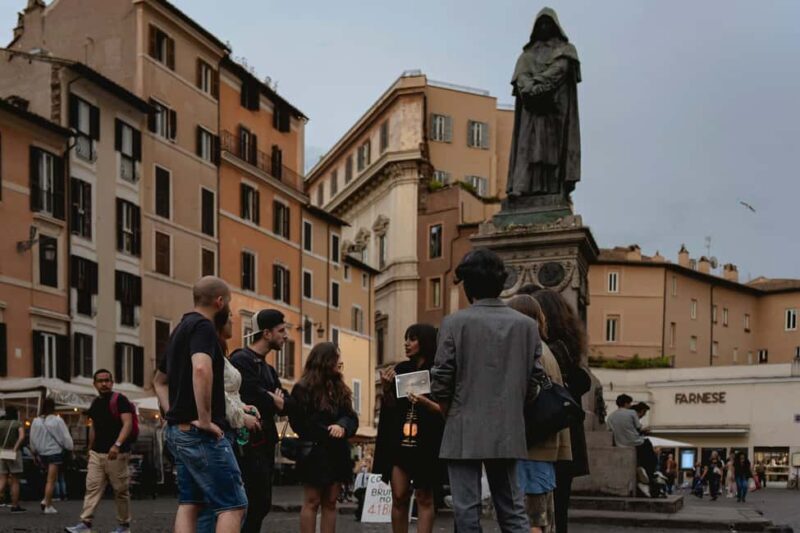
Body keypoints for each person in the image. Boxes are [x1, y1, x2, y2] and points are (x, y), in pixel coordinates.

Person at [431, 248, 539, 533]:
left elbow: (441, 377)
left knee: (466, 510)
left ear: (468, 285)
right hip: (508, 425)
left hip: (463, 424)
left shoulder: (455, 323)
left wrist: (447, 409)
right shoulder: (528, 326)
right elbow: (535, 382)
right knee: (512, 509)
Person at [152, 276, 247, 533]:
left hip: (178, 431)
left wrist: (172, 413)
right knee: (233, 506)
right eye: (228, 302)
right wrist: (205, 419)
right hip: (200, 433)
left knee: (190, 503)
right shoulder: (204, 327)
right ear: (220, 302)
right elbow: (202, 369)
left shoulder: (180, 328)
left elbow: (159, 381)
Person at [527, 288, 591, 533]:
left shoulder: (549, 350)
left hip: (551, 433)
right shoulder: (568, 348)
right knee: (559, 506)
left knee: (545, 509)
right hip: (567, 433)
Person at [508, 295, 572, 533]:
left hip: (532, 447)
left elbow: (525, 395)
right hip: (544, 449)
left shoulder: (531, 351)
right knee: (542, 517)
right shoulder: (545, 349)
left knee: (532, 518)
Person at [374, 323, 444, 533]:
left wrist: (425, 402)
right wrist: (386, 389)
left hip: (427, 442)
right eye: (406, 338)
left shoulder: (438, 372)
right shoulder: (401, 369)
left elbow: (445, 410)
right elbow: (391, 409)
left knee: (424, 496)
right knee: (399, 495)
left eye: (412, 339)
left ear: (425, 342)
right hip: (400, 441)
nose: (407, 343)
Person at [197, 309, 262, 533]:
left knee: (213, 502)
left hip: (227, 431)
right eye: (231, 316)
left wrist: (242, 406)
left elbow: (227, 392)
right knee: (232, 503)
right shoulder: (210, 350)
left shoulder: (221, 351)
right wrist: (240, 416)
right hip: (220, 431)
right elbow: (214, 391)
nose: (235, 320)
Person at [230, 309, 294, 533]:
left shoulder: (268, 369)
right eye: (281, 330)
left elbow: (287, 403)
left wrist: (274, 399)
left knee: (262, 503)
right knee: (248, 502)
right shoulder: (240, 359)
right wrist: (271, 397)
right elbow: (250, 392)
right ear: (266, 333)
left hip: (265, 444)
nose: (285, 336)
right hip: (246, 444)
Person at [289, 342, 359, 533]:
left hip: (336, 452)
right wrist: (329, 429)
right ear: (326, 361)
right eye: (336, 359)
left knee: (330, 502)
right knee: (312, 501)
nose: (339, 363)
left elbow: (351, 416)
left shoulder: (340, 389)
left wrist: (342, 426)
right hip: (315, 452)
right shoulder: (302, 389)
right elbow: (299, 423)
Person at [65, 370, 134, 533]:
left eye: (107, 380)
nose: (104, 384)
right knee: (92, 488)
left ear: (112, 382)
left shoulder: (120, 400)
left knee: (120, 491)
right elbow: (94, 427)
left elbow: (128, 423)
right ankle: (85, 523)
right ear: (94, 384)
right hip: (97, 453)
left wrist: (117, 445)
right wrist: (90, 449)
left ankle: (124, 526)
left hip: (116, 453)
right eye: (100, 381)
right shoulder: (96, 402)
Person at [606, 394, 659, 497]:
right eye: (629, 403)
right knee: (649, 449)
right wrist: (645, 431)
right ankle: (650, 473)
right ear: (626, 403)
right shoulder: (631, 413)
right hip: (636, 442)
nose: (630, 405)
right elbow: (638, 428)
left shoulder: (610, 417)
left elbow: (610, 431)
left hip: (620, 444)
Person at [30, 398, 73, 515]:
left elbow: (32, 439)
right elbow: (65, 437)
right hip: (54, 453)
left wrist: (34, 452)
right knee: (51, 480)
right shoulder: (57, 420)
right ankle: (48, 505)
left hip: (42, 453)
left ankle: (46, 499)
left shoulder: (36, 421)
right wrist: (70, 447)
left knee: (48, 480)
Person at [0, 407, 27, 513]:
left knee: (2, 479)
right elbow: (22, 436)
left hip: (2, 453)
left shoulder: (1, 423)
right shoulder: (17, 424)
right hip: (13, 454)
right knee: (15, 480)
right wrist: (15, 449)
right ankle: (15, 505)